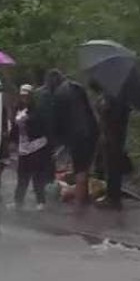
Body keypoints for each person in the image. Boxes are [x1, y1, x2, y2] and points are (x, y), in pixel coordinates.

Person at [47, 69, 99, 207]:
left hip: (77, 135)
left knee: (79, 169)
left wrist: (56, 142)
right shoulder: (77, 87)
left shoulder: (58, 94)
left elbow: (56, 122)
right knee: (85, 167)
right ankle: (84, 197)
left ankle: (79, 203)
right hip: (92, 130)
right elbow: (89, 109)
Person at [10, 84, 53, 211]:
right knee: (22, 176)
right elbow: (15, 127)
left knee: (37, 175)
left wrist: (29, 121)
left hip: (36, 146)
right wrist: (12, 140)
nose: (24, 99)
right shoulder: (17, 109)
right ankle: (18, 201)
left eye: (27, 96)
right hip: (23, 146)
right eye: (22, 96)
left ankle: (41, 201)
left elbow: (42, 126)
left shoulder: (38, 110)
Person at [91, 81, 131, 210]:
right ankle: (112, 196)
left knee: (112, 168)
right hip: (115, 136)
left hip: (112, 136)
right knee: (112, 167)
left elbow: (107, 113)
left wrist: (101, 105)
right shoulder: (119, 96)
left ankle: (113, 198)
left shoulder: (113, 97)